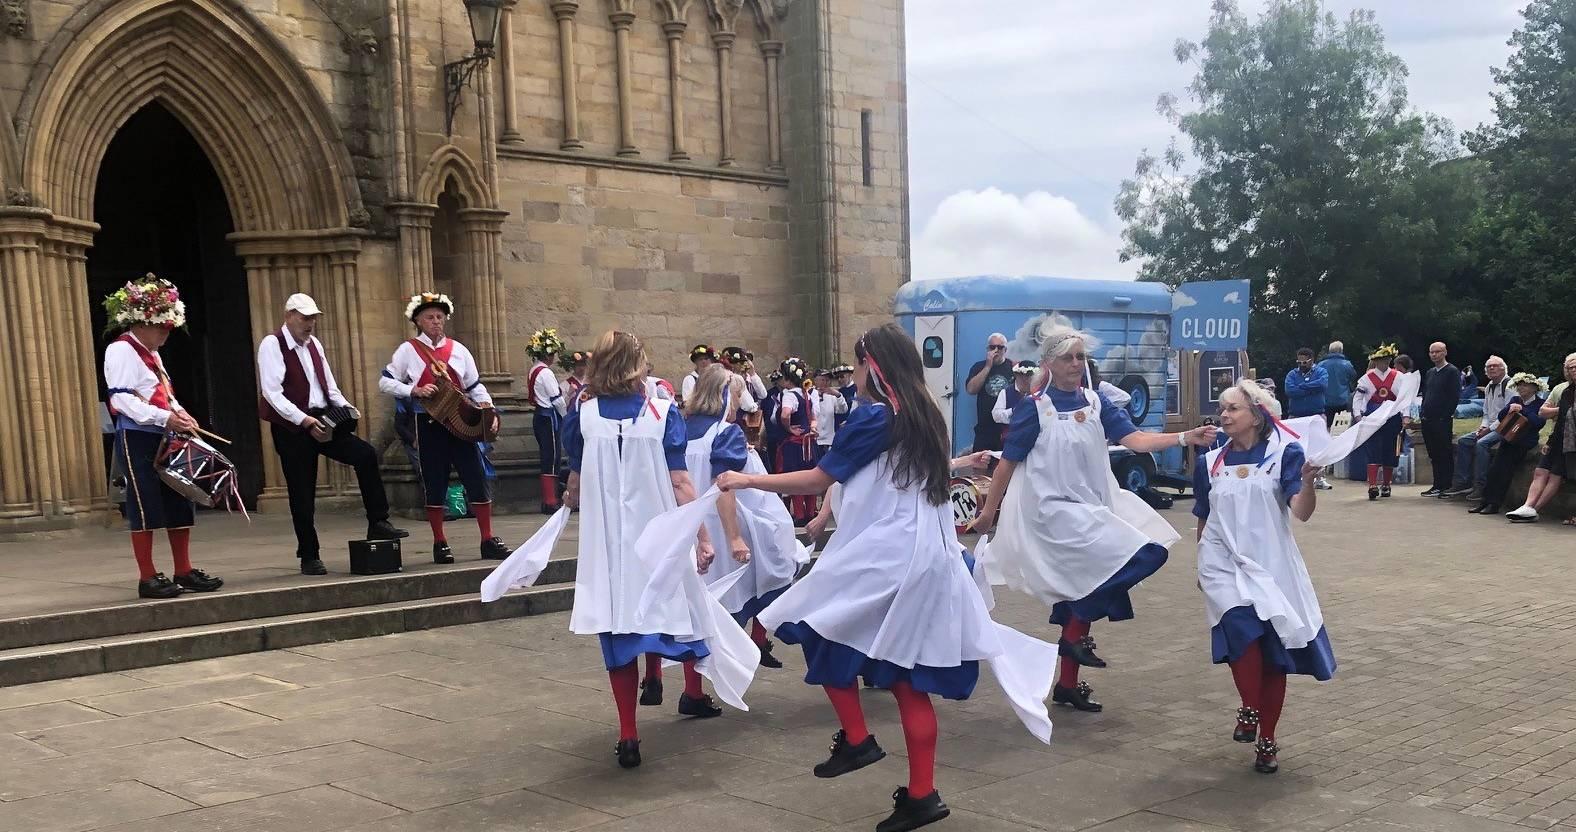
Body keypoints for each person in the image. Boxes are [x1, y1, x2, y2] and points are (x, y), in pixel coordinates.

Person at [717, 323, 1052, 832]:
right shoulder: (924, 415)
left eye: (856, 365)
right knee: (904, 681)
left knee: (814, 629)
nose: (853, 375)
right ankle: (919, 792)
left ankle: (858, 740)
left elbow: (820, 476)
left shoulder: (875, 415)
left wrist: (747, 479)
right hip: (924, 559)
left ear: (872, 367)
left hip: (887, 556)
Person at [972, 317, 1216, 714]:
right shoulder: (1035, 409)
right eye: (1068, 357)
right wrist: (987, 515)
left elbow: (1135, 440)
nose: (1075, 363)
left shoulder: (1096, 402)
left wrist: (1184, 436)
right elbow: (1006, 466)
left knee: (1087, 585)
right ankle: (1075, 635)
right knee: (1147, 552)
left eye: (1080, 356)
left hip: (1090, 508)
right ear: (1050, 363)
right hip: (1052, 513)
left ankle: (1067, 684)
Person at [561, 330, 728, 768]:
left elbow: (574, 485)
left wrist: (575, 495)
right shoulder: (662, 413)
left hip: (609, 551)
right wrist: (702, 538)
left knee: (618, 632)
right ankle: (678, 685)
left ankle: (629, 735)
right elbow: (679, 482)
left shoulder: (583, 415)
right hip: (656, 542)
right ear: (638, 364)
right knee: (669, 609)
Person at [1194, 380, 1335, 775]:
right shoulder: (1210, 461)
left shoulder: (1284, 453)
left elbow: (1301, 512)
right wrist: (1199, 562)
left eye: (1232, 409)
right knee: (1240, 631)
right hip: (1222, 562)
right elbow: (1204, 515)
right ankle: (1249, 708)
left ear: (1256, 414)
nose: (1224, 415)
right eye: (1222, 408)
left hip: (1270, 565)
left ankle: (1267, 738)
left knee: (1273, 656)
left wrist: (1307, 481)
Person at [258, 293, 407, 575]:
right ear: (289, 316)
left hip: (323, 417)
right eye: (304, 318)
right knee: (302, 489)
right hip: (291, 426)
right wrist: (303, 420)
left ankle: (378, 521)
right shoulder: (272, 344)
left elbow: (329, 385)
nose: (310, 323)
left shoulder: (314, 344)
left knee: (364, 454)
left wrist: (347, 408)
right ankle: (309, 555)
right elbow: (272, 393)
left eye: (313, 318)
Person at [102, 275, 225, 599]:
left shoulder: (151, 352)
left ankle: (183, 570)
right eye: (162, 327)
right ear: (142, 322)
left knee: (180, 499)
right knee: (145, 504)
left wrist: (180, 413)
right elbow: (122, 399)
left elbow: (162, 392)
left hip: (165, 433)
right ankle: (147, 577)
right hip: (138, 437)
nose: (166, 333)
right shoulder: (120, 351)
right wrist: (164, 417)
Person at [683, 364, 799, 671]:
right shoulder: (725, 433)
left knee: (698, 607)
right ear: (723, 395)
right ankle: (750, 650)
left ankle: (693, 689)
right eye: (735, 396)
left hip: (691, 524)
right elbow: (724, 486)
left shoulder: (683, 427)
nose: (738, 403)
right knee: (759, 578)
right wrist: (734, 536)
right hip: (723, 524)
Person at [378, 292, 507, 563]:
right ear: (418, 321)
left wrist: (488, 409)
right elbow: (386, 382)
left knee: (475, 477)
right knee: (434, 481)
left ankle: (487, 539)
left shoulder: (459, 350)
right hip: (428, 424)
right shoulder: (408, 350)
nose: (436, 321)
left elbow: (474, 385)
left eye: (439, 316)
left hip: (461, 423)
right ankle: (440, 542)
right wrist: (414, 389)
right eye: (429, 317)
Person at [1508, 353, 1576, 524]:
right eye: (1569, 368)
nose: (1572, 370)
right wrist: (1551, 439)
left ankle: (1533, 509)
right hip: (1559, 437)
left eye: (1575, 367)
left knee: (1555, 475)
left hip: (1571, 443)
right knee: (1540, 471)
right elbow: (1547, 414)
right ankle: (1528, 507)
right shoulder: (1565, 391)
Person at [1469, 373, 1549, 516]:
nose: (1521, 388)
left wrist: (1522, 410)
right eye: (1519, 385)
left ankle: (1495, 504)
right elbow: (1501, 417)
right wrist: (1509, 408)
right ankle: (1484, 501)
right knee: (1494, 470)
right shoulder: (1515, 399)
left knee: (1505, 471)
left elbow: (1539, 423)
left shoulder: (1540, 403)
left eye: (1525, 385)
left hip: (1523, 442)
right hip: (1508, 438)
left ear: (1533, 388)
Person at [1444, 356, 1510, 500]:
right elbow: (1486, 412)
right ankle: (1462, 482)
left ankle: (1481, 486)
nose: (1491, 369)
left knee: (1482, 444)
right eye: (1489, 367)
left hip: (1505, 427)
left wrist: (1489, 429)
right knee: (1463, 441)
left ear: (1503, 368)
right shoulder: (1489, 387)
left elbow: (1509, 414)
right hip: (1491, 426)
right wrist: (1483, 427)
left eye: (1495, 366)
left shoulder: (1509, 386)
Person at [526, 328, 569, 515]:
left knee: (548, 456)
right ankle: (550, 501)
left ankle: (549, 499)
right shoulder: (545, 373)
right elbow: (556, 399)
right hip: (548, 417)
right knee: (552, 458)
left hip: (540, 416)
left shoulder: (533, 370)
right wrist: (567, 417)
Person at [1353, 345, 1404, 501]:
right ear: (1374, 362)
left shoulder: (1399, 377)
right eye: (1379, 361)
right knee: (1372, 451)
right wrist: (1357, 415)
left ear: (1390, 360)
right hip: (1372, 418)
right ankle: (1373, 485)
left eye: (1386, 360)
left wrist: (1406, 416)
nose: (1383, 363)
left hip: (1392, 418)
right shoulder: (1366, 378)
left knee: (1390, 451)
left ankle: (1387, 484)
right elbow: (1358, 397)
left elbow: (1404, 399)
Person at [775, 358, 818, 524]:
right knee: (810, 475)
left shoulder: (789, 395)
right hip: (809, 442)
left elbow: (785, 414)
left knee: (795, 477)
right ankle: (810, 512)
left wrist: (789, 428)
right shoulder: (806, 394)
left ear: (787, 379)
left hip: (795, 443)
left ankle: (799, 515)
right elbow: (814, 417)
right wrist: (812, 428)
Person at [1419, 342, 1460, 497]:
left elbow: (1454, 395)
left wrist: (1446, 414)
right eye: (1432, 352)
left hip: (1441, 419)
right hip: (1427, 418)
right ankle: (1437, 484)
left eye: (1437, 352)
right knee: (1433, 453)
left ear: (1444, 353)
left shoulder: (1452, 371)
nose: (1434, 355)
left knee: (1444, 452)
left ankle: (1445, 485)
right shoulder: (1430, 373)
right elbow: (1426, 393)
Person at [964, 332, 1014, 454]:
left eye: (1000, 347)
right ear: (988, 349)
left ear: (1005, 350)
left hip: (1006, 429)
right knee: (980, 467)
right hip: (984, 429)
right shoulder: (979, 366)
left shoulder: (1013, 367)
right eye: (992, 347)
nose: (996, 350)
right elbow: (971, 390)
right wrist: (987, 366)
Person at [810, 368, 849, 462]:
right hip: (814, 439)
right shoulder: (810, 394)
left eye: (827, 380)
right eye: (823, 380)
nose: (826, 383)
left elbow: (843, 410)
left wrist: (838, 395)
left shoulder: (832, 395)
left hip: (829, 440)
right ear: (815, 380)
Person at [1317, 341, 1357, 427]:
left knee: (1327, 426)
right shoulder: (1347, 364)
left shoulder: (1321, 365)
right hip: (1343, 401)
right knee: (1341, 427)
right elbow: (1353, 377)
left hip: (1325, 401)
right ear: (1341, 351)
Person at [1284, 348, 1329, 420]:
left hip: (1317, 415)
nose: (1301, 365)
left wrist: (1302, 386)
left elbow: (1322, 385)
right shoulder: (1292, 374)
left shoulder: (1321, 372)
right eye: (1299, 363)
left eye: (1304, 362)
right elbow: (1290, 391)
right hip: (1295, 416)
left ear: (1312, 360)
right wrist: (1313, 390)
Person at [992, 361, 1037, 432]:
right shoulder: (1006, 392)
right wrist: (1013, 411)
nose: (1025, 378)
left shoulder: (1040, 393)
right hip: (1012, 437)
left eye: (1029, 375)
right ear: (1016, 375)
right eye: (1022, 374)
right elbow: (996, 416)